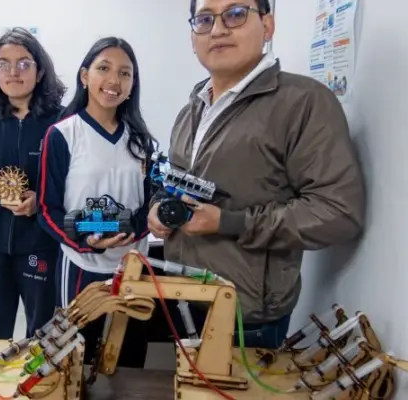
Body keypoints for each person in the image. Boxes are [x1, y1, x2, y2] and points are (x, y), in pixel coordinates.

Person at [148, 0, 365, 350]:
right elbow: (173, 184)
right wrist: (159, 208)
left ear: (267, 25)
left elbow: (338, 213)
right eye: (204, 19)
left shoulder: (303, 103)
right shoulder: (191, 111)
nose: (218, 29)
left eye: (235, 14)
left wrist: (229, 222)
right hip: (183, 298)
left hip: (245, 318)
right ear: (192, 37)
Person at [37, 37, 155, 365]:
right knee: (75, 358)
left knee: (128, 357)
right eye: (104, 68)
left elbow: (151, 205)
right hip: (81, 266)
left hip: (132, 267)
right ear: (85, 76)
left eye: (125, 73)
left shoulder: (141, 141)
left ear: (132, 84)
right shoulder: (62, 135)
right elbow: (46, 209)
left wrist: (132, 231)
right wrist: (84, 241)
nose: (114, 80)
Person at [0, 28, 66, 340]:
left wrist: (41, 201)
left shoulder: (62, 123)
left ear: (40, 71)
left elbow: (75, 182)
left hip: (41, 243)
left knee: (44, 335)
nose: (13, 72)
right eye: (3, 64)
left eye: (23, 63)